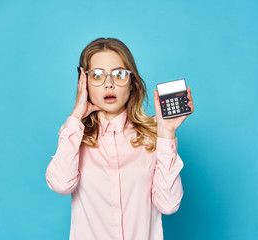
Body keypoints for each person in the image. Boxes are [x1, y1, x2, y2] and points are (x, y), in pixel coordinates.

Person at [45, 37, 194, 240]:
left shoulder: (152, 137)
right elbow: (61, 184)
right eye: (97, 76)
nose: (109, 84)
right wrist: (76, 116)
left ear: (132, 82)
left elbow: (168, 205)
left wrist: (166, 134)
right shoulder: (76, 139)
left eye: (119, 74)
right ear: (84, 83)